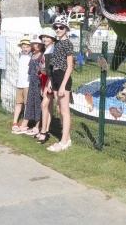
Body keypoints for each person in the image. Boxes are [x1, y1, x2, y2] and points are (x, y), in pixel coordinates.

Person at [47, 16, 74, 152]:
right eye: (56, 27)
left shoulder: (68, 44)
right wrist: (51, 81)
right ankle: (67, 138)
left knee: (64, 110)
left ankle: (63, 142)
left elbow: (70, 66)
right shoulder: (56, 43)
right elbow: (53, 64)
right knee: (59, 109)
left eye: (61, 27)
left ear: (66, 29)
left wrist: (63, 85)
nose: (58, 29)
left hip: (64, 76)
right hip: (56, 77)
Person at [16, 37, 45, 136]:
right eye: (34, 43)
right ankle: (25, 124)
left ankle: (37, 126)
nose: (36, 45)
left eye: (38, 44)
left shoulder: (42, 55)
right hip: (31, 82)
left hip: (38, 83)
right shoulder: (33, 55)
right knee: (30, 102)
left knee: (38, 103)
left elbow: (43, 70)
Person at [36, 27, 57, 144]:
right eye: (43, 37)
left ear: (52, 38)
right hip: (45, 79)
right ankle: (45, 129)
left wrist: (48, 82)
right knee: (48, 105)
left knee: (44, 105)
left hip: (50, 80)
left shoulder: (52, 51)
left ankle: (43, 131)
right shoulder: (47, 50)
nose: (45, 39)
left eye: (48, 37)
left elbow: (51, 69)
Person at [11, 37, 33, 133]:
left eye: (27, 46)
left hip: (27, 83)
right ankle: (15, 122)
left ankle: (25, 122)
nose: (25, 49)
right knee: (18, 103)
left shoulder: (32, 56)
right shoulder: (21, 55)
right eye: (23, 47)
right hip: (19, 83)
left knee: (26, 103)